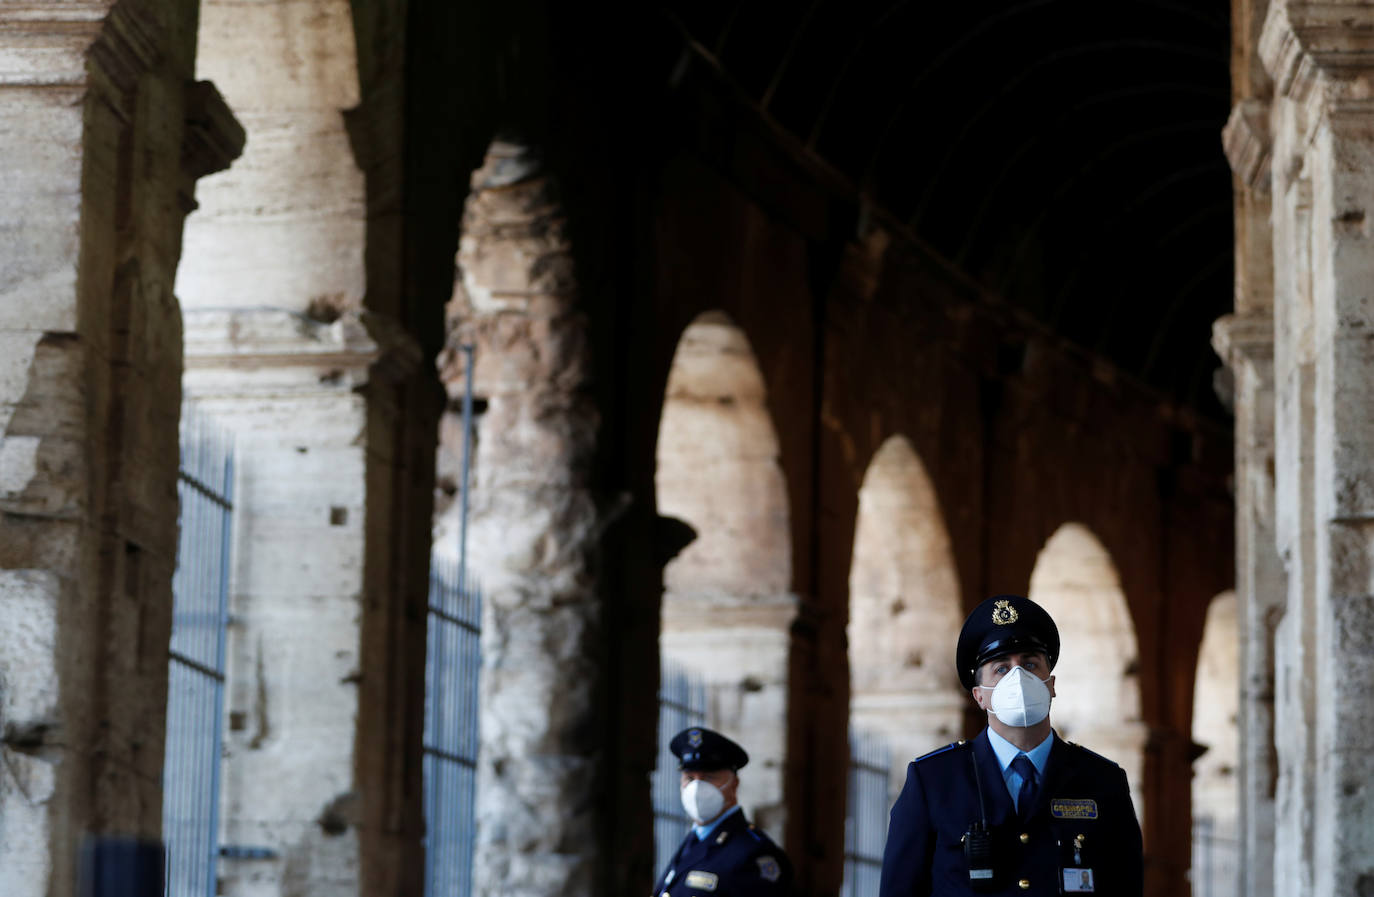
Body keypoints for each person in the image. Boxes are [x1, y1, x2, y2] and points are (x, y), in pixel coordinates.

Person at [879, 594, 1143, 896]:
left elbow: (1126, 885)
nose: (1018, 677)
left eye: (1030, 664)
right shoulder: (934, 780)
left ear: (1051, 684)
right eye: (1001, 668)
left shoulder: (1102, 781)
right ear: (980, 696)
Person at [653, 727, 792, 896]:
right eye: (689, 778)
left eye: (708, 778)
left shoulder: (754, 854)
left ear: (734, 785)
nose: (696, 788)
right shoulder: (692, 842)